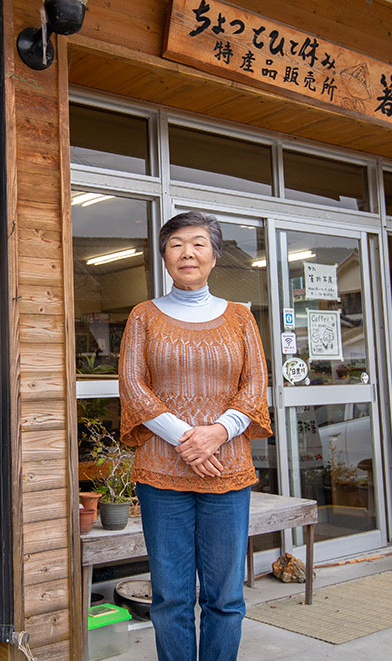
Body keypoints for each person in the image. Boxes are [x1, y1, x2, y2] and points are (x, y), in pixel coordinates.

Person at [119, 211, 271, 661]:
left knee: (226, 597)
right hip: (161, 475)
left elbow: (256, 385)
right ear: (164, 256)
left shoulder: (241, 317)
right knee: (171, 597)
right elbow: (132, 385)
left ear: (214, 255)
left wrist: (219, 432)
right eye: (176, 244)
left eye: (198, 243)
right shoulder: (143, 316)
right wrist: (191, 438)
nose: (187, 252)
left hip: (228, 472)